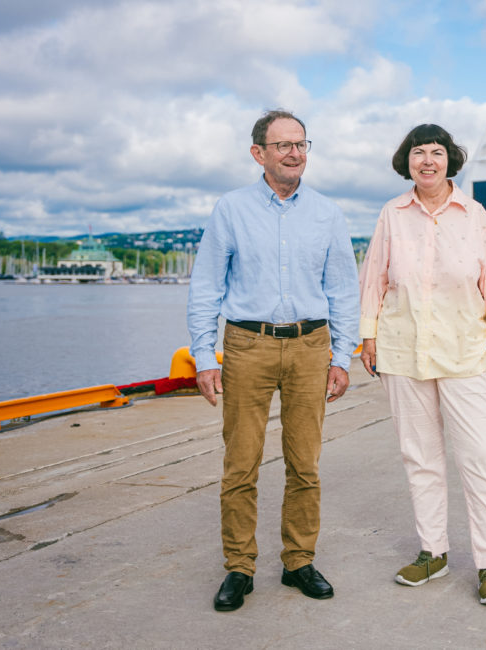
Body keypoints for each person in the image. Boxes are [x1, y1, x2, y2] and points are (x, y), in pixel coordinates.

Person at [187, 109, 359, 611]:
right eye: (283, 145)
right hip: (248, 345)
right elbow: (206, 286)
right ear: (258, 152)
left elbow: (343, 289)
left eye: (301, 144)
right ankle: (239, 568)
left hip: (311, 346)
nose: (294, 153)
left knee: (304, 463)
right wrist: (203, 356)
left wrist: (341, 356)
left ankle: (298, 561)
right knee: (241, 464)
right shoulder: (231, 209)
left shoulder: (327, 212)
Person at [359, 124, 486, 606]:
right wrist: (368, 336)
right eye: (417, 153)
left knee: (480, 458)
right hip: (403, 351)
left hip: (465, 352)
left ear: (451, 159)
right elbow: (375, 277)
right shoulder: (392, 214)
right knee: (420, 457)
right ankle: (434, 551)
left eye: (436, 152)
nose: (427, 160)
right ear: (405, 160)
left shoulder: (473, 216)